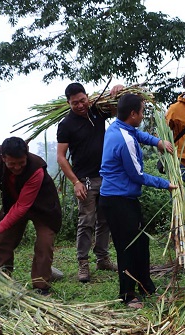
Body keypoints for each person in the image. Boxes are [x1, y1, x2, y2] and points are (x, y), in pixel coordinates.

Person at [100, 93, 176, 309]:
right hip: (118, 201)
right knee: (127, 247)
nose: (143, 115)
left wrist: (158, 141)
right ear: (133, 114)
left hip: (124, 198)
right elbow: (138, 175)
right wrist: (165, 184)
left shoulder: (118, 127)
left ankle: (145, 284)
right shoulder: (124, 141)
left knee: (141, 242)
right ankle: (127, 294)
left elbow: (137, 134)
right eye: (142, 112)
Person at [0, 136, 62, 294]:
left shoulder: (36, 169)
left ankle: (41, 286)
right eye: (11, 164)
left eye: (21, 162)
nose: (17, 167)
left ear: (26, 153)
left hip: (43, 207)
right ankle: (3, 283)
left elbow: (22, 206)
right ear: (3, 158)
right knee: (4, 242)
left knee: (44, 244)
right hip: (14, 204)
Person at [57, 82, 123, 283]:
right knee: (86, 221)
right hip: (85, 180)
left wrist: (118, 90)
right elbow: (61, 157)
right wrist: (75, 182)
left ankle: (102, 258)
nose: (80, 105)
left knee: (106, 219)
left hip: (106, 176)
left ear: (88, 97)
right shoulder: (66, 124)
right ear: (68, 103)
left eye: (82, 100)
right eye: (74, 103)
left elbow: (118, 109)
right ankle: (83, 263)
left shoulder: (97, 110)